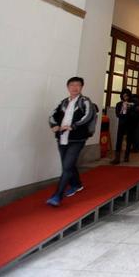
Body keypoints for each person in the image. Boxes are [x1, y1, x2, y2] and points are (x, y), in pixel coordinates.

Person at [46, 77, 95, 207]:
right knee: (68, 165)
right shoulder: (63, 103)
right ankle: (76, 184)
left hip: (77, 139)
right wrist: (54, 125)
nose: (74, 87)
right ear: (68, 87)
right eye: (72, 85)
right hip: (62, 138)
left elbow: (88, 116)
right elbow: (52, 115)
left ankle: (57, 195)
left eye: (78, 85)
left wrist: (73, 126)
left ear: (81, 87)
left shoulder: (85, 101)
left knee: (67, 167)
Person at [112, 88, 138, 164]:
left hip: (130, 124)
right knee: (119, 140)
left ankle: (126, 156)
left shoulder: (133, 104)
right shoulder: (119, 104)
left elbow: (135, 115)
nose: (125, 97)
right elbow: (117, 114)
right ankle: (117, 158)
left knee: (129, 140)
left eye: (127, 96)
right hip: (122, 124)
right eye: (124, 96)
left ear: (129, 96)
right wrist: (123, 112)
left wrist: (129, 109)